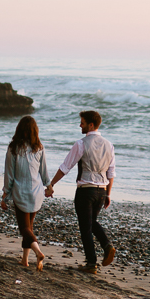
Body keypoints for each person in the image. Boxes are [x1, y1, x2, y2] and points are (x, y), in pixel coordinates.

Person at [45, 110, 116, 274]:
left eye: (82, 122)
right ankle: (105, 247)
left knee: (86, 227)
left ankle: (93, 261)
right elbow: (111, 173)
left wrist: (51, 184)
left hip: (85, 191)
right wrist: (108, 194)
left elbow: (66, 166)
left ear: (91, 124)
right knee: (91, 222)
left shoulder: (81, 144)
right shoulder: (109, 145)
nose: (80, 125)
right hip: (101, 191)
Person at [0, 116, 51, 270]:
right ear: (35, 131)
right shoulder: (39, 147)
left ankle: (38, 252)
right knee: (29, 227)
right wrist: (49, 186)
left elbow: (9, 175)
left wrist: (5, 195)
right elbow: (44, 171)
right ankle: (25, 259)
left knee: (24, 228)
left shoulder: (14, 148)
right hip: (36, 192)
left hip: (21, 192)